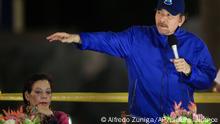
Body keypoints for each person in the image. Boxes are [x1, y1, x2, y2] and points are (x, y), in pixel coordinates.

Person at [46, 0, 217, 122]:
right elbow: (108, 40)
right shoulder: (137, 37)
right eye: (160, 13)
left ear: (181, 19)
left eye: (169, 15)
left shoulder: (194, 44)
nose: (162, 19)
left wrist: (189, 71)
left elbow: (208, 78)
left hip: (179, 120)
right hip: (142, 119)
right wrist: (77, 38)